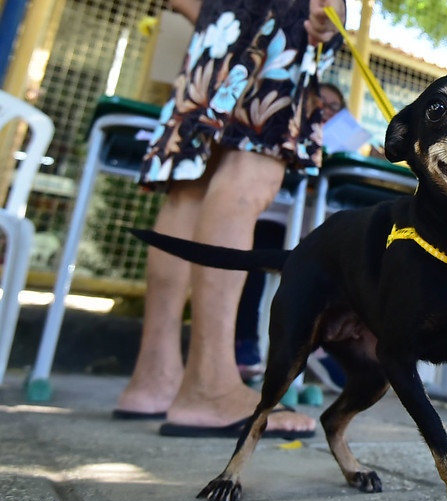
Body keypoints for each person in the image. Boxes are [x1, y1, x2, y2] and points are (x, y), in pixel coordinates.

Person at [113, 0, 346, 438]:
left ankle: (153, 378)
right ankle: (210, 387)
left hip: (220, 22)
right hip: (283, 17)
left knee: (192, 182)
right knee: (250, 170)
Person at [233, 82, 348, 382]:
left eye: (334, 107)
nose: (325, 111)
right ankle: (244, 343)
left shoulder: (347, 150)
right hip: (275, 221)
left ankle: (325, 347)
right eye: (319, 102)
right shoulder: (280, 131)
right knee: (257, 257)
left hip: (318, 232)